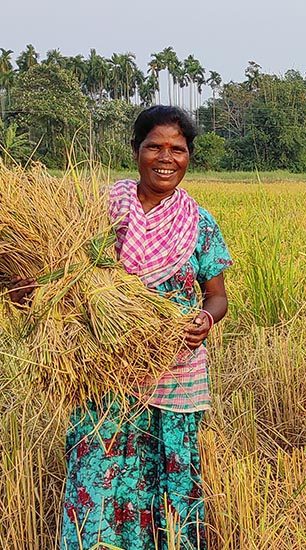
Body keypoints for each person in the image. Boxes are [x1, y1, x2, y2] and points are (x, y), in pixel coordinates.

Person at [46, 106, 231, 549]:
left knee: (170, 489)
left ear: (189, 157)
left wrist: (206, 319)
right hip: (106, 374)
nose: (166, 157)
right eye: (155, 146)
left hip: (176, 376)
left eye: (178, 149)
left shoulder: (199, 224)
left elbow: (217, 295)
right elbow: (64, 280)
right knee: (98, 480)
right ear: (135, 151)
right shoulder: (101, 214)